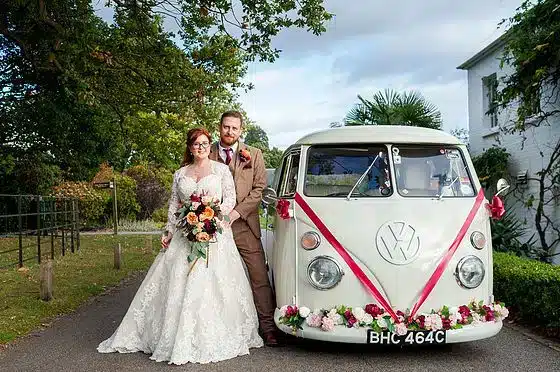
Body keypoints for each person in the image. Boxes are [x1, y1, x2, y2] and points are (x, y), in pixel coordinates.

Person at [97, 128, 263, 365]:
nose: (201, 147)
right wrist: (169, 230)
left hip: (214, 236)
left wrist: (212, 221)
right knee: (175, 283)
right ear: (190, 147)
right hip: (185, 235)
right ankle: (170, 335)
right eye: (196, 144)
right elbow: (174, 205)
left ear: (210, 145)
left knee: (212, 284)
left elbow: (230, 200)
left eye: (205, 143)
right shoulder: (180, 173)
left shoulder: (221, 170)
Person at [209, 111, 280, 347]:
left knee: (259, 276)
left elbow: (259, 189)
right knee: (212, 277)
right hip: (212, 225)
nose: (229, 132)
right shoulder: (205, 152)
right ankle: (215, 330)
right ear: (219, 127)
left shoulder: (255, 154)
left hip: (244, 225)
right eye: (226, 127)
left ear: (241, 130)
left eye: (234, 128)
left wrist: (235, 214)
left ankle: (268, 328)